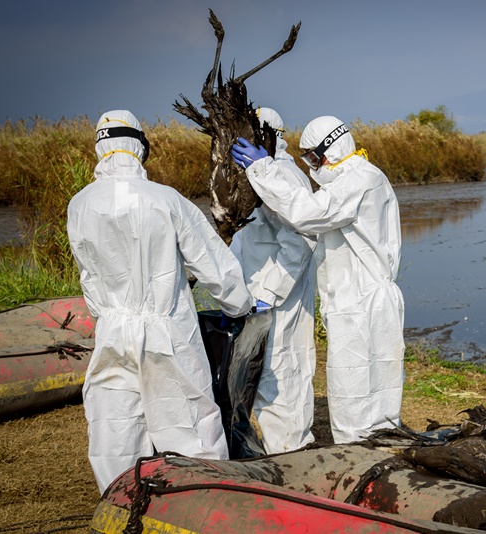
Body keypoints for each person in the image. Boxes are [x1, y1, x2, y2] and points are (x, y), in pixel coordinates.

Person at [67, 110, 254, 494]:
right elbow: (213, 261)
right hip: (166, 330)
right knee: (188, 422)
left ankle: (122, 504)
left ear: (101, 148)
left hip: (112, 330)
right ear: (141, 148)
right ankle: (201, 502)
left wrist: (106, 316)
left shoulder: (80, 205)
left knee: (115, 426)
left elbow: (88, 275)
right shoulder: (165, 200)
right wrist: (240, 306)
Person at [232, 115, 405, 444]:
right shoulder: (360, 178)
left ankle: (358, 461)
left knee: (354, 392)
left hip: (361, 302)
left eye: (313, 157)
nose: (312, 167)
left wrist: (263, 169)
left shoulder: (359, 180)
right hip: (365, 300)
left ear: (332, 148)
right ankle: (377, 454)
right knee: (376, 386)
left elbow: (306, 213)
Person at [229, 107, 318, 453]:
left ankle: (292, 454)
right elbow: (245, 238)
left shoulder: (282, 175)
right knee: (261, 376)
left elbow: (302, 239)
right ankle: (273, 453)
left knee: (284, 372)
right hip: (256, 299)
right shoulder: (256, 174)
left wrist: (269, 292)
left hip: (282, 296)